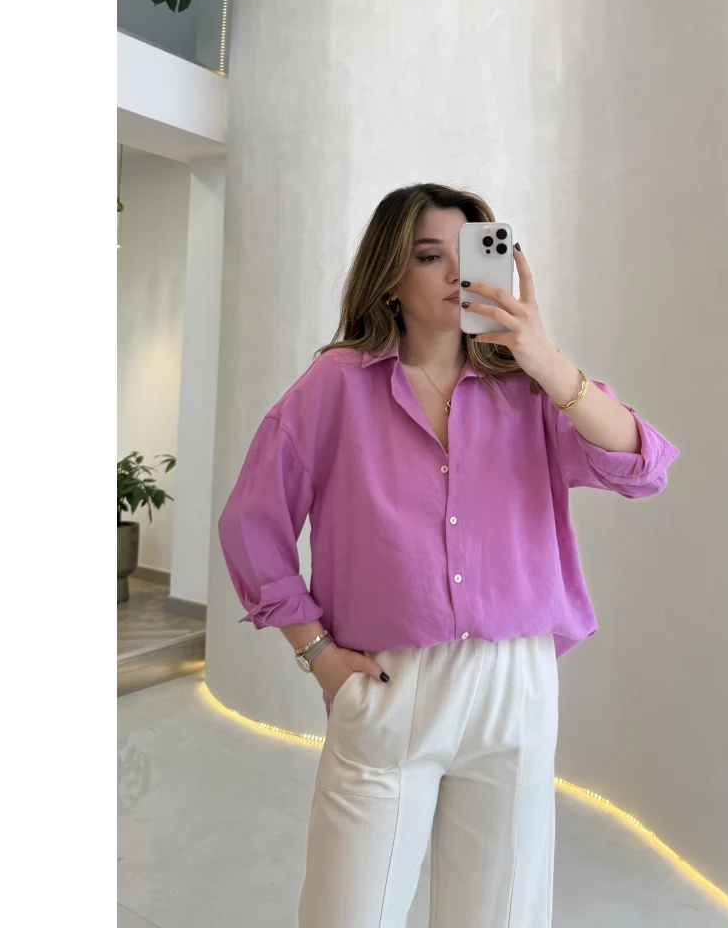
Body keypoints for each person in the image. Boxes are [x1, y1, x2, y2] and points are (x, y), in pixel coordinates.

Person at [217, 182, 679, 928]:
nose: (456, 273)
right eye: (430, 256)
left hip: (514, 687)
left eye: (469, 253)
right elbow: (252, 522)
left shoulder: (529, 388)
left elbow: (642, 467)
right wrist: (318, 653)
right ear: (390, 278)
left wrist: (544, 358)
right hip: (388, 684)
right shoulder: (336, 386)